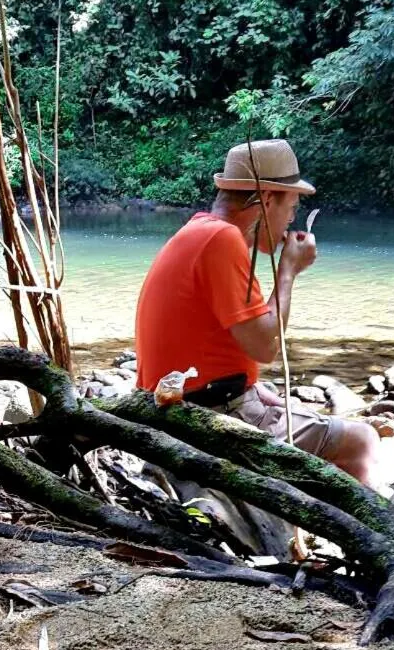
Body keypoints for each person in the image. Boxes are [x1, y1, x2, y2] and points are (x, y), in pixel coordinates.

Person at [135, 139, 380, 486]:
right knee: (361, 442)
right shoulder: (223, 240)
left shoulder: (199, 231)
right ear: (266, 199)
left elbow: (214, 344)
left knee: (301, 420)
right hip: (209, 415)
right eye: (291, 206)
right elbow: (265, 347)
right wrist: (288, 271)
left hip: (180, 406)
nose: (291, 219)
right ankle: (360, 536)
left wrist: (249, 384)